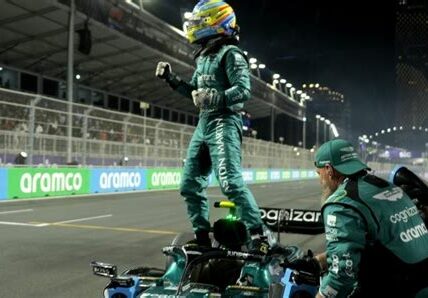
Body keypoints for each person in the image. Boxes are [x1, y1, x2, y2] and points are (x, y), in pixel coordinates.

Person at [155, 0, 267, 253]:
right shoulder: (204, 57)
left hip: (225, 121)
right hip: (204, 123)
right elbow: (195, 92)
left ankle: (259, 237)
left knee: (230, 183)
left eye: (198, 22)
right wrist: (171, 79)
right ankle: (202, 237)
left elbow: (244, 91)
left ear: (216, 22)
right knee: (189, 185)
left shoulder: (231, 54)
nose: (193, 26)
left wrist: (216, 98)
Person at [290, 138, 428, 297]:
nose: (320, 180)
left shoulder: (342, 205)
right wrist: (318, 262)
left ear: (329, 170)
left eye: (319, 173)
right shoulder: (388, 187)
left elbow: (340, 278)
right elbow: (377, 246)